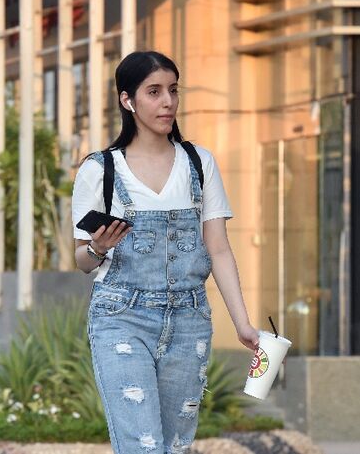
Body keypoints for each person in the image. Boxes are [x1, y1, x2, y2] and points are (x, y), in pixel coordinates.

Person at [71, 50, 259, 453]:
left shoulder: (199, 163)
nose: (168, 102)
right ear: (127, 100)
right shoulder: (99, 170)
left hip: (190, 320)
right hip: (121, 318)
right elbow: (81, 261)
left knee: (175, 447)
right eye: (153, 92)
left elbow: (219, 250)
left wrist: (243, 324)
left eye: (173, 90)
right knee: (143, 447)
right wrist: (98, 248)